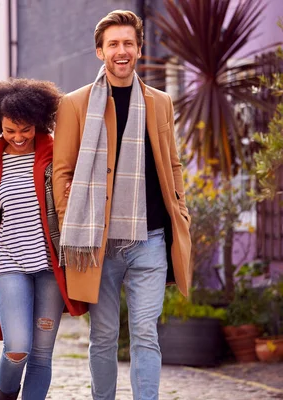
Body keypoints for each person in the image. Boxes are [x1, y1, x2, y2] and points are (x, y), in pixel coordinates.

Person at [52, 10, 192, 400]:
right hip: (98, 243)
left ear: (139, 50)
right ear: (100, 51)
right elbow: (61, 172)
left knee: (146, 333)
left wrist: (182, 210)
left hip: (150, 238)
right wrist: (71, 224)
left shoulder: (160, 102)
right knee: (104, 335)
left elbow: (172, 162)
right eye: (113, 44)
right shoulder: (75, 104)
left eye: (128, 43)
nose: (121, 51)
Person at [0, 78, 87, 400]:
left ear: (38, 122)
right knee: (18, 347)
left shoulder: (58, 154)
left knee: (41, 354)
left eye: (25, 129)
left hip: (51, 268)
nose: (18, 137)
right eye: (10, 130)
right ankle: (5, 395)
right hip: (11, 264)